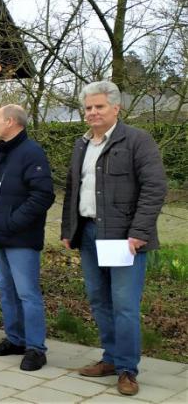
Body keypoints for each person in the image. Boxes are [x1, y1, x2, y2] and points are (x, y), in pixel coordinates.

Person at [61, 81, 167, 397]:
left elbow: (155, 189)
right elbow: (72, 190)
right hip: (90, 235)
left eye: (99, 107)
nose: (93, 112)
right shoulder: (82, 144)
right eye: (89, 108)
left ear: (116, 108)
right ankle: (110, 358)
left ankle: (127, 370)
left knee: (124, 306)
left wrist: (138, 233)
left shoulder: (137, 141)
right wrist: (69, 230)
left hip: (123, 239)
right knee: (99, 300)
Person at [0, 104, 55, 372]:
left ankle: (36, 348)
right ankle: (15, 340)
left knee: (27, 294)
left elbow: (43, 195)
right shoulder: (3, 153)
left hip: (21, 238)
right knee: (6, 290)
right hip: (1, 236)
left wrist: (13, 222)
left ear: (11, 122)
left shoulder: (31, 152)